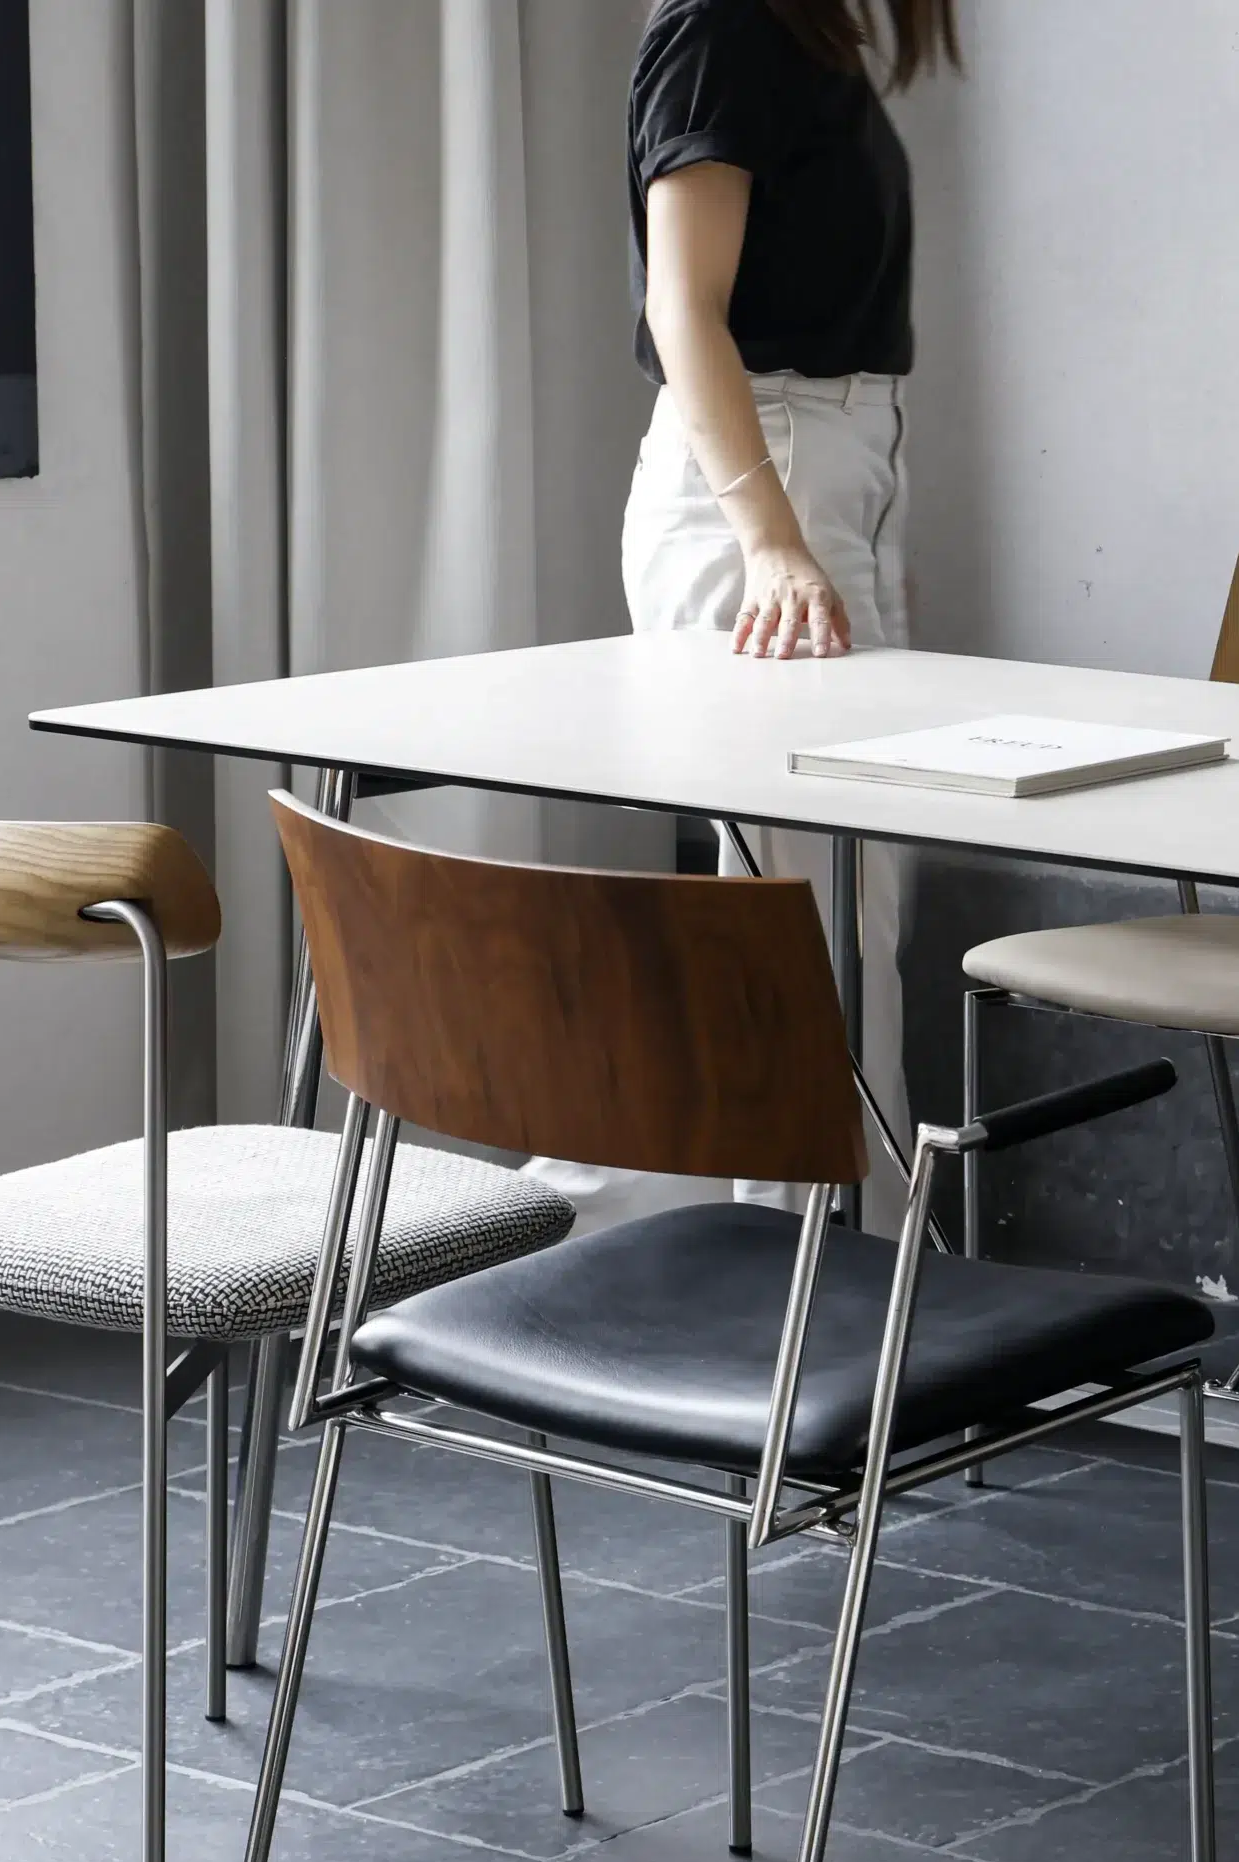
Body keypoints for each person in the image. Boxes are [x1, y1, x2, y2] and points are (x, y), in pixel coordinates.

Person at [529, 0, 959, 1229]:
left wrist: (859, 542)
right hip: (759, 482)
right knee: (812, 929)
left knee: (830, 913)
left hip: (822, 474)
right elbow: (685, 308)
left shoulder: (800, 34)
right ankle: (815, 1288)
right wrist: (776, 542)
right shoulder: (724, 23)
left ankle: (788, 1270)